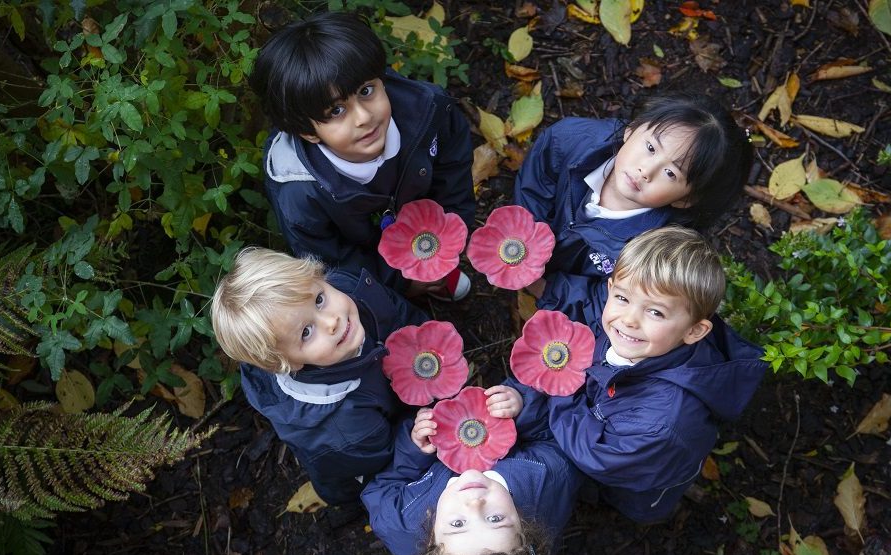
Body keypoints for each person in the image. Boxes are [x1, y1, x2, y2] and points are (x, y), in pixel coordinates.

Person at [536, 227, 767, 522]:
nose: (629, 319)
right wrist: (545, 288)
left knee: (622, 502)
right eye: (622, 298)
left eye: (655, 312)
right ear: (611, 289)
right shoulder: (640, 336)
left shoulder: (661, 423)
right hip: (611, 421)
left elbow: (596, 455)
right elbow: (588, 301)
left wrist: (560, 384)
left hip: (638, 479)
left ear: (695, 331)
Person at [249, 11, 475, 301]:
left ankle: (437, 270)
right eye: (336, 111)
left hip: (426, 228)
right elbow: (331, 262)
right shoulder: (300, 193)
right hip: (367, 253)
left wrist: (452, 235)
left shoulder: (427, 111)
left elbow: (453, 170)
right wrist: (399, 283)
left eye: (366, 91)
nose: (364, 117)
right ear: (308, 131)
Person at [210, 247, 427, 505]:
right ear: (290, 363)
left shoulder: (347, 289)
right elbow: (382, 460)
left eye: (319, 300)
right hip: (359, 461)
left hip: (389, 395)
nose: (331, 321)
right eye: (306, 333)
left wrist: (429, 343)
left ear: (319, 277)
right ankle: (346, 506)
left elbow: (396, 314)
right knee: (355, 490)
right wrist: (411, 440)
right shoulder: (340, 424)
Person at [361, 385, 583, 555]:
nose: (474, 503)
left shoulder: (399, 520)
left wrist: (413, 452)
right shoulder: (547, 476)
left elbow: (380, 487)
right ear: (525, 529)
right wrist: (524, 409)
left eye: (458, 524)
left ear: (431, 543)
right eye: (496, 519)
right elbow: (556, 438)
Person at [514, 92, 753, 290]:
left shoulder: (653, 253)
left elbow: (606, 299)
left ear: (685, 200)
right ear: (632, 129)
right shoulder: (571, 141)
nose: (646, 170)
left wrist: (546, 290)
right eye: (650, 147)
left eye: (671, 173)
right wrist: (524, 241)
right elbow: (534, 187)